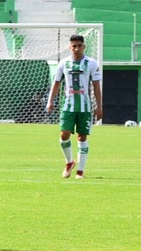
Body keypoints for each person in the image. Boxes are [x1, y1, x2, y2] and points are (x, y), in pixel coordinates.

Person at [46, 34, 102, 179]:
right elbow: (57, 82)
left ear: (84, 46)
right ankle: (69, 162)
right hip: (67, 106)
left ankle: (80, 172)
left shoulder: (92, 63)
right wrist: (50, 101)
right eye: (74, 46)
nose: (76, 49)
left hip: (85, 107)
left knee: (82, 137)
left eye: (79, 46)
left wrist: (99, 107)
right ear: (70, 47)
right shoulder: (64, 63)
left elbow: (96, 86)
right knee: (64, 134)